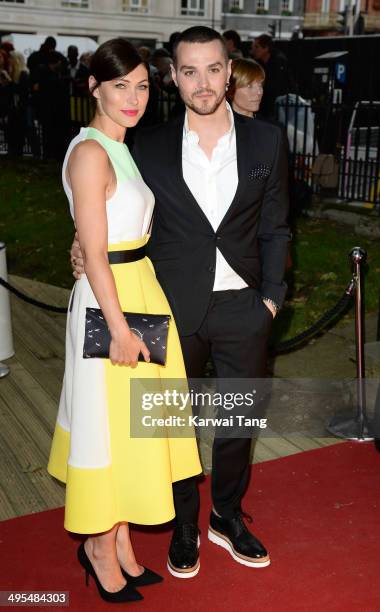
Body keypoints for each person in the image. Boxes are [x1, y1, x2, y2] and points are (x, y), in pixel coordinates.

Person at [72, 26, 290, 579]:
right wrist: (80, 247)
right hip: (169, 306)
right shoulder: (145, 144)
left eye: (213, 69)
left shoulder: (266, 140)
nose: (203, 82)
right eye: (188, 71)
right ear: (174, 75)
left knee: (238, 421)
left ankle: (227, 514)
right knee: (172, 423)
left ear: (229, 69)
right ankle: (185, 523)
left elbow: (277, 228)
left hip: (245, 304)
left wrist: (271, 299)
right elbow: (113, 209)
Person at [47, 37, 201, 603]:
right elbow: (96, 243)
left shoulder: (120, 146)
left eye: (141, 86)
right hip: (112, 303)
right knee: (108, 428)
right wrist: (117, 329)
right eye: (120, 86)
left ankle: (125, 542)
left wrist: (87, 251)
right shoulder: (90, 151)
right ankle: (98, 548)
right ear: (94, 87)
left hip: (138, 289)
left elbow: (100, 229)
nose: (133, 98)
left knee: (136, 427)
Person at [251, 33, 295, 119]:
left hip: (278, 108)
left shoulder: (278, 63)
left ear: (266, 48)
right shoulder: (260, 63)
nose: (253, 50)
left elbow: (275, 88)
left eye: (256, 47)